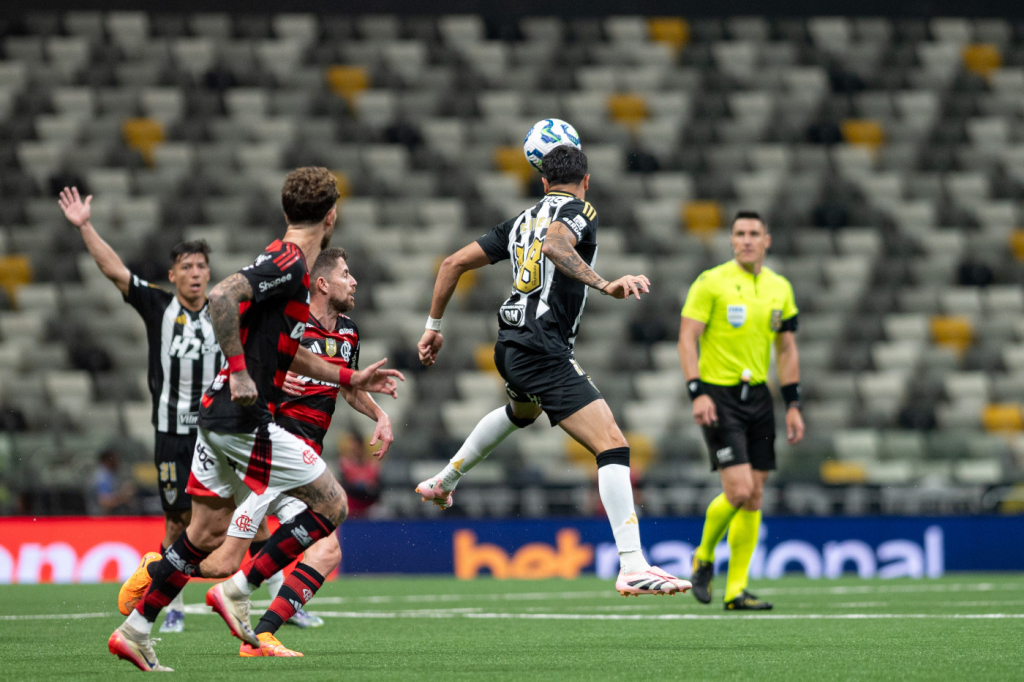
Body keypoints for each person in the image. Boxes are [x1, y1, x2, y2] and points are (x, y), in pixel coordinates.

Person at [106, 167, 403, 672]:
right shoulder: (288, 261)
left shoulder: (294, 272)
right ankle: (239, 591)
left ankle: (134, 630)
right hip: (244, 418)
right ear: (331, 217)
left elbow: (288, 352)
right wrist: (241, 372)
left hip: (217, 417)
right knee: (333, 506)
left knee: (203, 539)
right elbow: (222, 296)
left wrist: (348, 377)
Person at [415, 145, 689, 597]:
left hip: (509, 344)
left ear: (543, 182)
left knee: (521, 413)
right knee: (613, 446)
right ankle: (632, 565)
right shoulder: (581, 210)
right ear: (586, 181)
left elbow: (452, 263)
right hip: (542, 349)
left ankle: (444, 481)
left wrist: (433, 327)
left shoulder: (520, 220)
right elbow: (556, 244)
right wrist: (606, 284)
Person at [206, 246, 393, 658]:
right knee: (221, 562)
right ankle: (158, 572)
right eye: (346, 274)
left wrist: (379, 414)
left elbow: (348, 386)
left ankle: (263, 636)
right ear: (322, 283)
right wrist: (273, 379)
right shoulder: (289, 322)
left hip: (304, 462)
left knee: (327, 550)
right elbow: (242, 361)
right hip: (269, 451)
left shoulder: (349, 333)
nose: (354, 281)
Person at [59, 187, 221, 634]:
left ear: (209, 273)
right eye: (186, 267)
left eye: (200, 266)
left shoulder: (226, 309)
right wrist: (85, 226)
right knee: (177, 520)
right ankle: (174, 605)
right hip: (170, 433)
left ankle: (271, 595)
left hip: (216, 434)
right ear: (172, 275)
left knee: (238, 514)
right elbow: (115, 270)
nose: (194, 273)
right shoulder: (158, 305)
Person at [678, 210, 805, 611]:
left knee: (755, 495)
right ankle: (703, 556)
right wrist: (697, 392)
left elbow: (786, 349)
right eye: (739, 233)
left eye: (754, 233)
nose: (746, 240)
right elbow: (687, 339)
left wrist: (793, 404)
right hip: (719, 396)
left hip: (760, 398)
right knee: (739, 490)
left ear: (767, 240)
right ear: (731, 240)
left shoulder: (780, 288)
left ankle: (736, 591)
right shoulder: (710, 282)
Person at [339, 430, 382, 518]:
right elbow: (343, 487)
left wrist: (368, 489)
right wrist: (358, 487)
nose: (354, 450)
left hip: (369, 504)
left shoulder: (372, 464)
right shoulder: (345, 464)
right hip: (351, 503)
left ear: (362, 447)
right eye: (352, 448)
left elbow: (377, 488)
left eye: (357, 447)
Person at [91, 449, 137, 515]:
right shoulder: (102, 477)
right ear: (106, 460)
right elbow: (104, 502)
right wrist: (123, 497)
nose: (117, 463)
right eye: (114, 460)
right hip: (99, 516)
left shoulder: (110, 474)